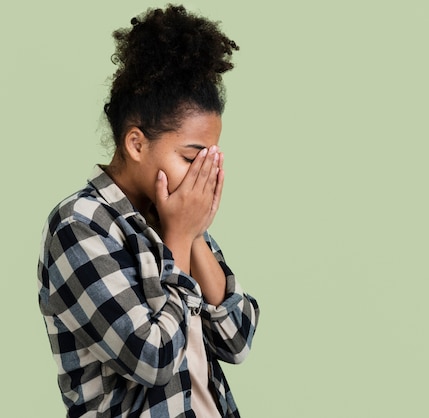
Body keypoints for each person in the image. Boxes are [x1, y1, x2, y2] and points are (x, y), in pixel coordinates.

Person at [37, 5, 259, 418]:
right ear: (136, 144)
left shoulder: (173, 215)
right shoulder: (79, 226)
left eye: (211, 159)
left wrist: (193, 236)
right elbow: (154, 359)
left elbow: (238, 340)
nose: (204, 176)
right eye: (191, 158)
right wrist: (179, 237)